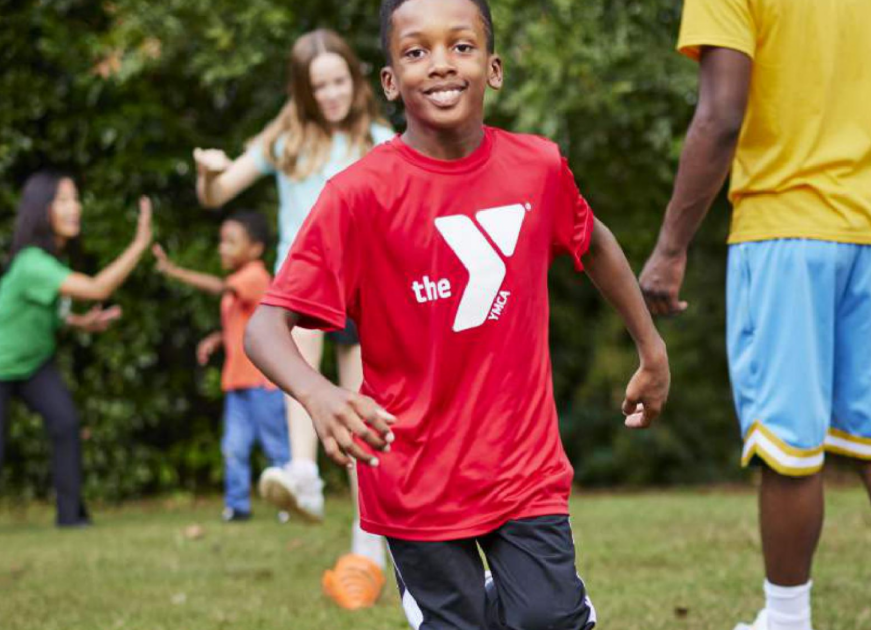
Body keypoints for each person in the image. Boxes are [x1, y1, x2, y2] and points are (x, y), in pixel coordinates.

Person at [244, 0, 670, 627]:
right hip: (412, 476)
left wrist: (651, 350)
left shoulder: (537, 167)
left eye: (461, 46)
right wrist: (318, 393)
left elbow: (594, 240)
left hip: (521, 464)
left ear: (493, 68)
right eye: (416, 52)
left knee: (548, 621)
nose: (440, 65)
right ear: (390, 81)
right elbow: (264, 326)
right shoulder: (357, 196)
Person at [637, 1, 871, 629]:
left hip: (786, 228)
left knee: (786, 441)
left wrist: (670, 247)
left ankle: (786, 619)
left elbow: (720, 115)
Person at [191, 28, 394, 607]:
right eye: (317, 87)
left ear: (355, 83)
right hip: (302, 283)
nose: (330, 95)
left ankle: (367, 541)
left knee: (360, 415)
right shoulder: (285, 141)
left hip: (361, 288)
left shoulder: (380, 141)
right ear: (302, 93)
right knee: (301, 377)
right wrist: (209, 171)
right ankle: (302, 472)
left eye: (337, 82)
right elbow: (218, 191)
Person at [0, 172, 152, 533]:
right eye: (64, 200)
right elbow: (98, 287)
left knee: (66, 424)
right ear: (42, 210)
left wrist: (78, 323)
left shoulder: (50, 260)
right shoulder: (32, 263)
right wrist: (140, 243)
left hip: (33, 364)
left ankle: (70, 518)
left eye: (75, 199)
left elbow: (41, 311)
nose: (76, 207)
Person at [153, 211, 291, 523]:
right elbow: (243, 324)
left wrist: (174, 271)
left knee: (275, 446)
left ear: (255, 249)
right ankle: (237, 506)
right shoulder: (239, 284)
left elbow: (219, 287)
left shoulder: (254, 275)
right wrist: (218, 339)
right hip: (237, 382)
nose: (222, 248)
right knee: (234, 446)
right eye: (221, 241)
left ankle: (289, 503)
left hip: (262, 381)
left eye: (231, 242)